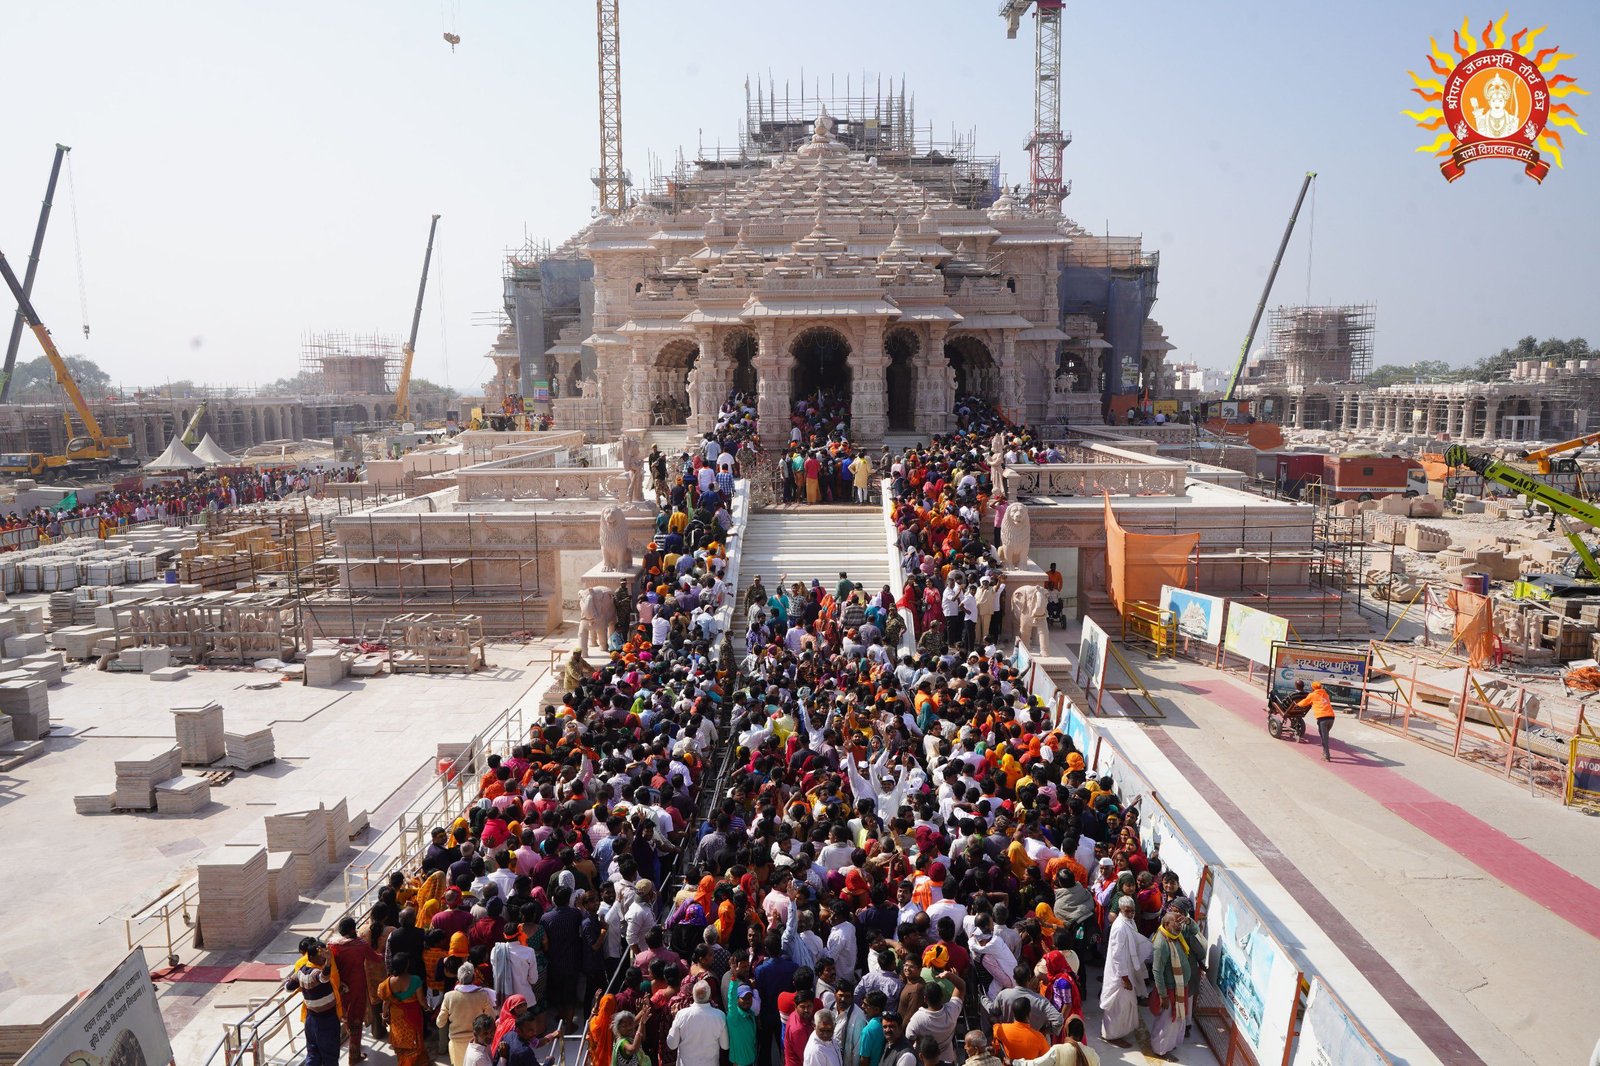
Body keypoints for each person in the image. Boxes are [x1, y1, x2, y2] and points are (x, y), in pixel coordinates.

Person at [328, 917, 382, 1066]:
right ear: (353, 929)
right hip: (356, 985)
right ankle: (354, 1056)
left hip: (340, 986)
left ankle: (354, 1045)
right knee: (356, 1016)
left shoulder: (332, 945)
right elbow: (376, 959)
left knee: (346, 1014)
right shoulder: (360, 945)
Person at [1148, 906, 1200, 1057]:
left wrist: (1188, 921)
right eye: (1175, 922)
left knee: (1175, 1021)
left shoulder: (1176, 935)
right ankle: (1160, 1049)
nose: (1179, 925)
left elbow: (1195, 930)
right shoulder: (1161, 943)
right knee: (1167, 1022)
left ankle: (1168, 1045)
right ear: (1166, 925)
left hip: (1179, 987)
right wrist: (1163, 996)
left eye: (1179, 922)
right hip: (1170, 990)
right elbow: (1157, 971)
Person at [285, 936, 342, 1066]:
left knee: (313, 1054)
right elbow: (323, 978)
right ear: (311, 957)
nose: (323, 958)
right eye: (321, 956)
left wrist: (287, 981)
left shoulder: (301, 971)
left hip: (311, 1019)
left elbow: (288, 988)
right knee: (330, 1056)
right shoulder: (315, 973)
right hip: (326, 1021)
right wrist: (328, 962)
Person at [1100, 898, 1148, 1047]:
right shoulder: (1120, 927)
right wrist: (1125, 978)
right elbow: (1118, 955)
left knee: (1126, 1004)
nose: (1130, 913)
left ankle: (1119, 1032)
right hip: (1120, 975)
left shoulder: (1130, 922)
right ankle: (1111, 1035)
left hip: (1127, 971)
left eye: (1132, 910)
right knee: (1118, 1006)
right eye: (1127, 911)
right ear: (1121, 910)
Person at [439, 963, 498, 1066]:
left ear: (458, 978)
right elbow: (491, 1017)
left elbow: (440, 1023)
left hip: (456, 1042)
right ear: (474, 978)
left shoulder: (449, 996)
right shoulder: (482, 995)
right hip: (476, 1041)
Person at [377, 953, 430, 1066]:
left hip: (397, 1017)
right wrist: (427, 1008)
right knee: (415, 1040)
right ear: (406, 966)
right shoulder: (415, 980)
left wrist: (384, 1016)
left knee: (400, 1040)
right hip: (413, 1015)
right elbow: (421, 1000)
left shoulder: (387, 983)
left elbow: (386, 1002)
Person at [665, 981, 728, 1066]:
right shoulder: (720, 1016)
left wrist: (675, 1021)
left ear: (693, 995)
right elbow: (725, 1045)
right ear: (709, 996)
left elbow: (672, 1044)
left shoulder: (681, 1015)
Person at [1297, 680, 1336, 761]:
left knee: (1324, 738)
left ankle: (1327, 756)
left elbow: (1303, 703)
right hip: (1331, 718)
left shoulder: (1312, 695)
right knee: (1324, 735)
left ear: (1313, 688)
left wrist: (1297, 704)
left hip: (1323, 718)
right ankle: (1325, 752)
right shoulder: (1326, 694)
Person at [727, 984, 760, 1066]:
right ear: (736, 999)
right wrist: (733, 981)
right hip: (740, 1063)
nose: (747, 1001)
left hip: (751, 1060)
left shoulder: (751, 1014)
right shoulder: (734, 1017)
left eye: (749, 998)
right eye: (744, 998)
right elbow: (731, 1000)